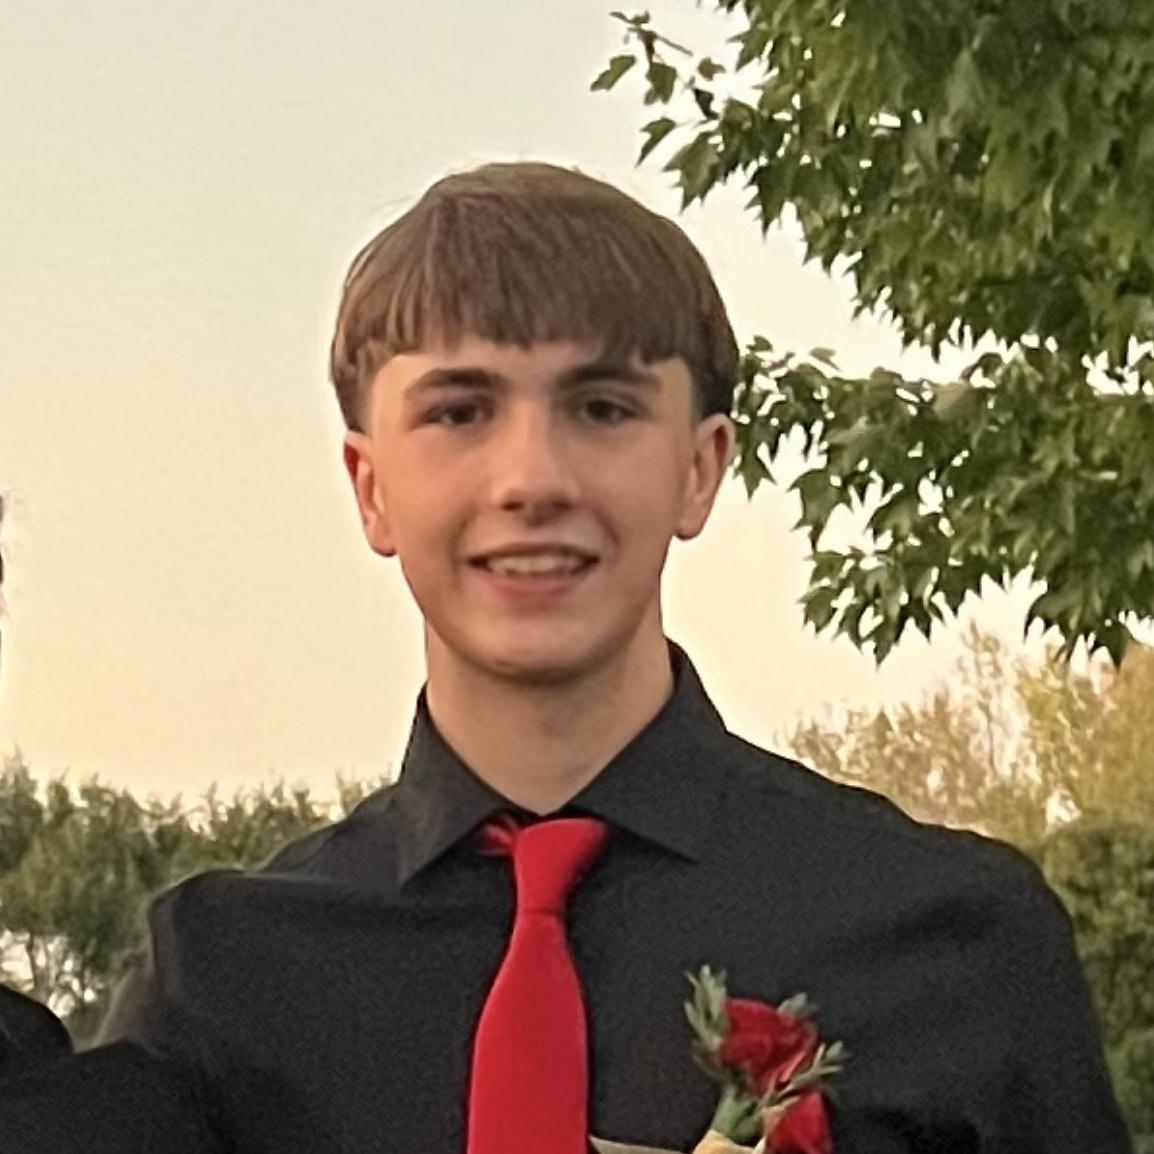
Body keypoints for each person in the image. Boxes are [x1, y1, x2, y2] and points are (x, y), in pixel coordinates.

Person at [0, 163, 1135, 1153]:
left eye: (601, 407)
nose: (532, 479)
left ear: (701, 468)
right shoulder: (219, 984)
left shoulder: (955, 937)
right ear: (369, 485)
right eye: (459, 411)